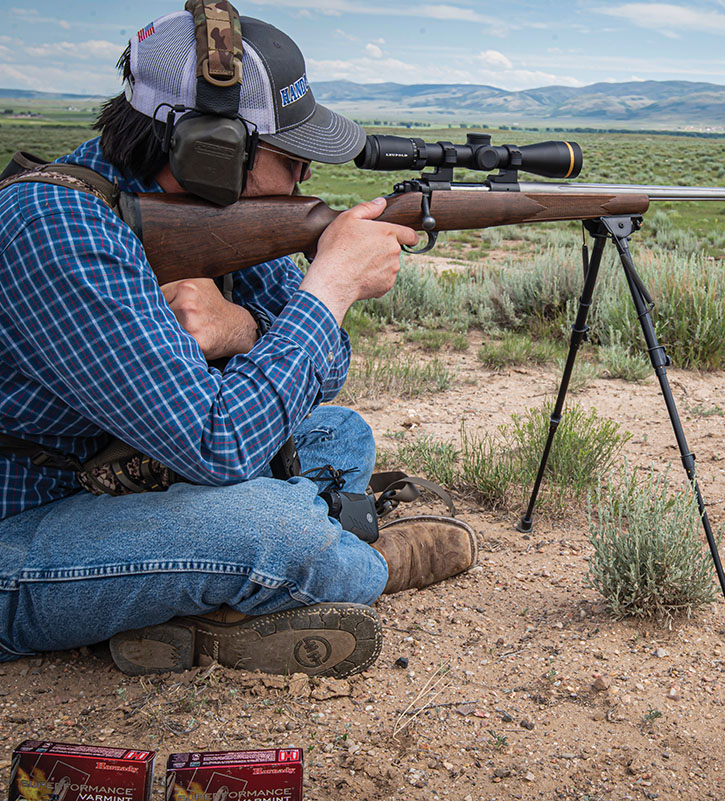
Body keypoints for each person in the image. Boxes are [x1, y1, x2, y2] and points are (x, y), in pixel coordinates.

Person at [0, 6, 476, 678]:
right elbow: (219, 445)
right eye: (292, 159)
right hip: (23, 532)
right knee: (268, 527)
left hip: (118, 474)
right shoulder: (59, 231)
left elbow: (329, 367)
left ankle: (194, 603)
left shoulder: (209, 213)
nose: (304, 179)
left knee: (339, 435)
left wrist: (243, 327)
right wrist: (331, 288)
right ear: (214, 149)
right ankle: (356, 563)